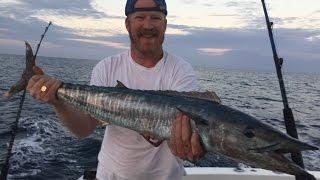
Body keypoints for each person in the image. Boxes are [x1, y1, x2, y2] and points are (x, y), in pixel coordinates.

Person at [27, 0, 205, 179]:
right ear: (128, 24)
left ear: (165, 25)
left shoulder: (181, 70)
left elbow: (187, 136)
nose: (148, 25)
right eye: (140, 18)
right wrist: (58, 102)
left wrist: (188, 148)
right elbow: (83, 130)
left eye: (155, 18)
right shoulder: (106, 67)